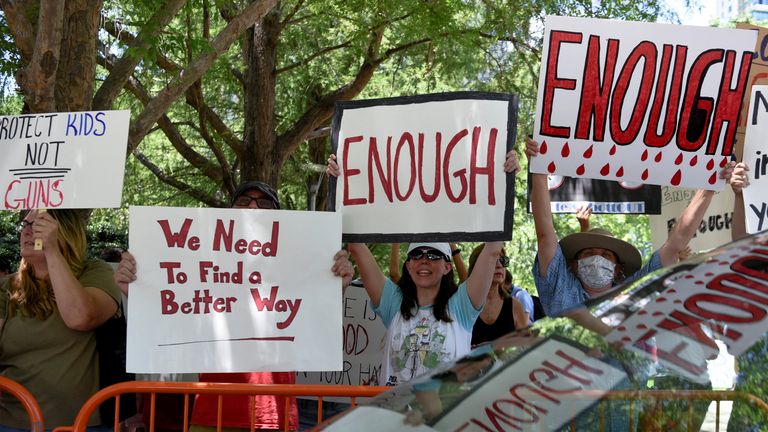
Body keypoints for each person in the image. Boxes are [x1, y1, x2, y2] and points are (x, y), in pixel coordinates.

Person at [114, 181, 355, 432]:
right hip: (212, 413)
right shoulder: (203, 266)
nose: (252, 206)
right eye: (243, 201)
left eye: (263, 202)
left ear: (281, 219)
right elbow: (172, 314)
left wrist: (336, 284)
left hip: (274, 416)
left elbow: (315, 322)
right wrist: (135, 288)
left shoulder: (297, 267)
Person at [327, 149, 521, 386]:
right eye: (416, 254)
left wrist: (505, 180)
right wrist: (341, 184)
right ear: (408, 266)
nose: (424, 260)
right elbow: (356, 245)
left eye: (434, 255)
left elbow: (492, 251)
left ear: (448, 267)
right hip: (395, 419)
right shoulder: (393, 302)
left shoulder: (461, 305)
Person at [525, 138, 738, 318]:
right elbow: (545, 235)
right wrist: (539, 171)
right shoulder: (560, 288)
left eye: (606, 255)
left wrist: (709, 188)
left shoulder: (635, 291)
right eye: (589, 253)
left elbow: (676, 242)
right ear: (573, 265)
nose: (597, 259)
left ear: (618, 268)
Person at [0, 209, 121, 429]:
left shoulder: (94, 272)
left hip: (82, 423)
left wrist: (52, 252)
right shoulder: (6, 287)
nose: (26, 232)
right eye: (24, 226)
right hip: (11, 421)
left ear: (65, 232)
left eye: (37, 226)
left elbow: (80, 317)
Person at [467, 244, 527, 345]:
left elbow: (525, 348)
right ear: (476, 266)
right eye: (493, 260)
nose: (499, 265)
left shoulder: (515, 306)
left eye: (503, 260)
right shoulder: (462, 305)